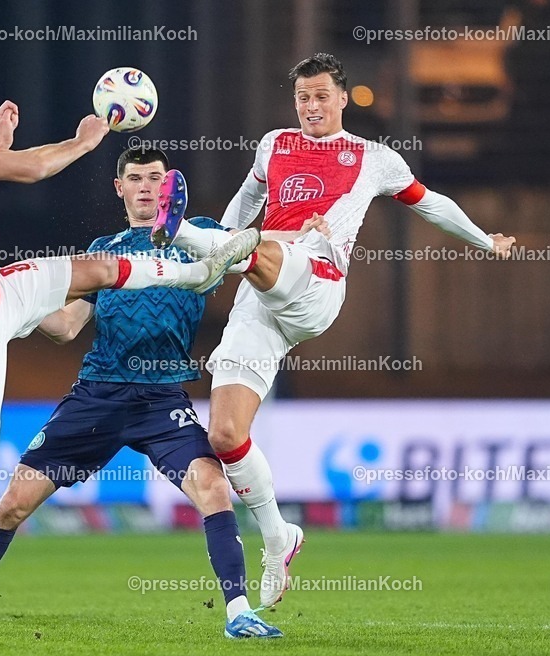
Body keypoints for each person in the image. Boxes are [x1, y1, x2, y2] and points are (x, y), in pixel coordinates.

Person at [0, 63, 260, 642]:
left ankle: (197, 274)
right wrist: (84, 140)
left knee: (97, 268)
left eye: (157, 178)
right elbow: (35, 170)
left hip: (1, 295)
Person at [0, 149, 328, 639]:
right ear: (119, 188)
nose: (147, 187)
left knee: (215, 490)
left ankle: (239, 613)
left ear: (170, 187)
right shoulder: (103, 248)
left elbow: (251, 245)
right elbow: (66, 327)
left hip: (162, 400)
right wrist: (7, 306)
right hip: (96, 398)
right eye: (136, 178)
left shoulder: (196, 236)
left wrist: (301, 237)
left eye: (156, 178)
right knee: (12, 504)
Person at [151, 53, 516, 608]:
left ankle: (183, 238)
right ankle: (279, 538)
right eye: (303, 97)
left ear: (343, 98)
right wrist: (226, 236)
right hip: (260, 294)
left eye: (322, 95)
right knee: (224, 434)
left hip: (314, 282)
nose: (312, 106)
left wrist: (485, 241)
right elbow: (248, 201)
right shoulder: (273, 144)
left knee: (258, 246)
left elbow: (429, 203)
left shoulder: (374, 158)